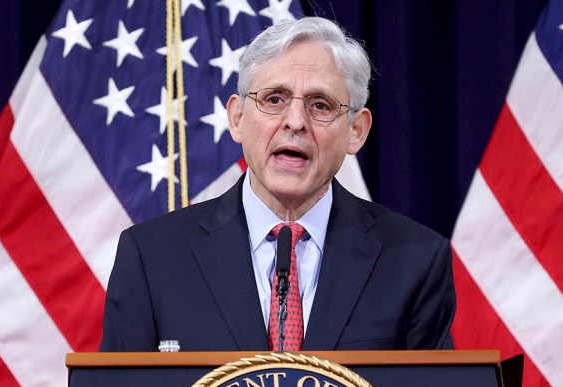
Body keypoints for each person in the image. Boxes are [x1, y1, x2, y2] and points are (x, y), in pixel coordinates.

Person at [100, 17, 455, 352]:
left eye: (320, 105)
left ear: (356, 131)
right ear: (238, 118)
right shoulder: (153, 258)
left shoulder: (413, 262)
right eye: (274, 99)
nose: (296, 122)